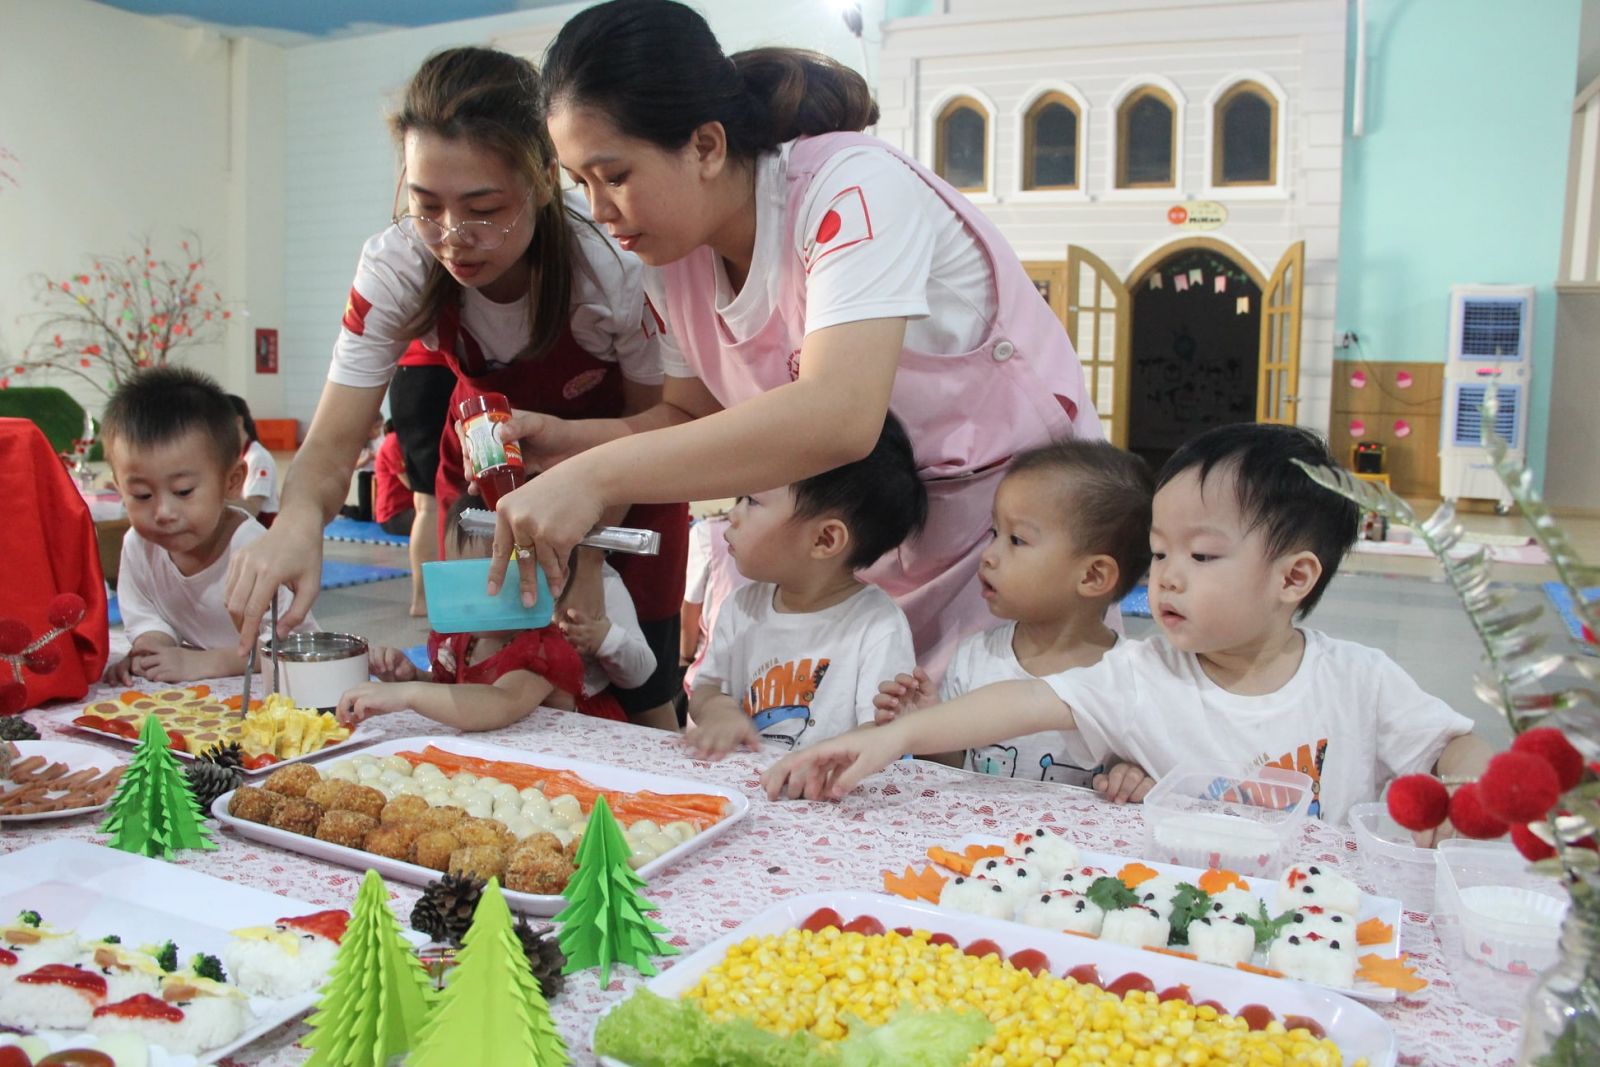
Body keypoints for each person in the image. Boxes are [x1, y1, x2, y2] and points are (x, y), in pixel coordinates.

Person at [483, 0, 1101, 680]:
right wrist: (571, 447)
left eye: (616, 176)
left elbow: (839, 415)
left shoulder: (850, 187)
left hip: (1004, 532)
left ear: (706, 146)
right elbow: (689, 416)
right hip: (849, 541)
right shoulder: (669, 258)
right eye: (580, 183)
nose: (600, 210)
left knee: (986, 731)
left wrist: (595, 477)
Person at [223, 46, 690, 729]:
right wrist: (296, 523)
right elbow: (330, 444)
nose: (452, 237)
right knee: (483, 675)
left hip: (623, 488)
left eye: (483, 208)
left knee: (633, 693)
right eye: (425, 205)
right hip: (484, 486)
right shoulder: (396, 267)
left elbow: (659, 422)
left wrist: (588, 552)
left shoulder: (612, 268)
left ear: (543, 179)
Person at [763, 423, 1493, 832]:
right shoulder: (1145, 675)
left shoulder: (1359, 681)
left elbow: (1453, 745)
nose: (1167, 576)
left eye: (1201, 556)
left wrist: (1470, 787)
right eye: (1161, 551)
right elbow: (1022, 701)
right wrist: (892, 738)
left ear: (1293, 578)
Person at [873, 440, 1155, 793]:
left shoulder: (1132, 677)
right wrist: (925, 727)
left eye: (1017, 540)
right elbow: (957, 768)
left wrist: (1133, 775)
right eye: (995, 533)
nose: (988, 555)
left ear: (1092, 576)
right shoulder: (975, 657)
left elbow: (1155, 770)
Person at [684, 414, 926, 758]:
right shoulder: (740, 606)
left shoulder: (877, 626)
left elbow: (884, 733)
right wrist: (719, 712)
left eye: (752, 501)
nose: (733, 515)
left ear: (825, 539)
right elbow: (706, 688)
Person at [339, 495, 628, 731]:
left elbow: (500, 702)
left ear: (546, 577)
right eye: (457, 577)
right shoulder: (463, 639)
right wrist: (412, 678)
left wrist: (410, 695)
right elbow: (458, 696)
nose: (467, 595)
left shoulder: (542, 650)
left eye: (486, 578)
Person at [105, 369, 311, 686]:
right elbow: (147, 616)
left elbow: (292, 645)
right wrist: (150, 652)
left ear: (231, 481)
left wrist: (204, 662)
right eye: (142, 495)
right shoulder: (138, 545)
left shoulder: (254, 550)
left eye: (183, 491)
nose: (163, 513)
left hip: (281, 690)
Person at [227, 395, 279, 526]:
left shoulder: (258, 458)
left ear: (238, 422)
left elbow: (253, 509)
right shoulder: (235, 455)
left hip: (264, 530)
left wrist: (213, 500)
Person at [372, 420, 417, 536]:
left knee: (453, 515)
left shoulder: (408, 441)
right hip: (393, 515)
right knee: (440, 518)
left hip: (409, 508)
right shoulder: (393, 441)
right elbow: (410, 484)